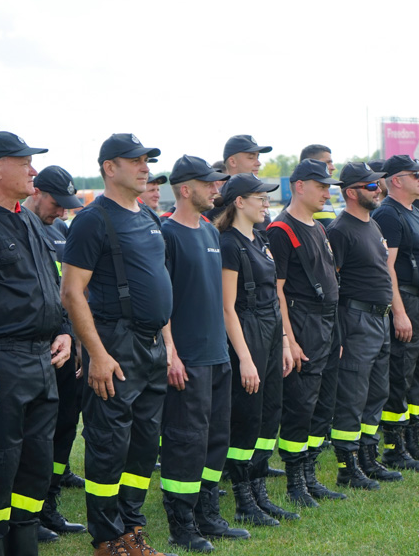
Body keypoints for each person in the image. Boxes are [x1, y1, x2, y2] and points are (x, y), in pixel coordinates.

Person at [61, 133, 175, 556]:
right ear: (110, 167)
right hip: (115, 344)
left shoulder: (148, 216)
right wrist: (98, 354)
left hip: (151, 346)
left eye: (147, 160)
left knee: (144, 446)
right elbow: (72, 292)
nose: (145, 167)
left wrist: (168, 344)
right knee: (109, 446)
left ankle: (131, 527)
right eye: (136, 160)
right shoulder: (93, 220)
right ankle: (107, 539)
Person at [0, 131, 72, 555]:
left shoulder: (26, 218)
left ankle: (23, 543)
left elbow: (52, 285)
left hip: (42, 362)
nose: (33, 170)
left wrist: (63, 329)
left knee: (35, 467)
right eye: (24, 162)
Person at [158, 156, 249, 552]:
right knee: (185, 441)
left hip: (217, 355)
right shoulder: (167, 234)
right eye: (209, 184)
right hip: (188, 358)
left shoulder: (211, 232)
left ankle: (208, 513)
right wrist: (171, 353)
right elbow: (161, 301)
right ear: (184, 189)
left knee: (215, 438)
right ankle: (182, 523)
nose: (217, 190)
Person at [215, 173, 298, 527]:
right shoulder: (229, 243)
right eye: (259, 197)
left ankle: (260, 491)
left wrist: (282, 342)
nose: (266, 203)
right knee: (246, 419)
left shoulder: (260, 238)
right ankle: (243, 499)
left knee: (269, 414)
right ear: (239, 202)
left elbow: (273, 298)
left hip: (270, 330)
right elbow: (227, 307)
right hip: (246, 332)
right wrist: (246, 358)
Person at [267, 159, 344, 507]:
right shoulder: (281, 230)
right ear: (299, 186)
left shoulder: (319, 227)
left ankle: (310, 475)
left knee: (323, 405)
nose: (327, 192)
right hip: (303, 324)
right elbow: (277, 291)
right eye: (321, 186)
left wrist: (336, 336)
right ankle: (295, 482)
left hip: (328, 324)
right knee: (300, 406)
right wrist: (290, 340)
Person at [326, 162, 405, 488]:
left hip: (380, 317)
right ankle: (348, 466)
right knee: (352, 395)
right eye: (370, 186)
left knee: (376, 392)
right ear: (351, 193)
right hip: (356, 319)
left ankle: (369, 458)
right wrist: (340, 331)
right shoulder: (340, 229)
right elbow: (333, 284)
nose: (378, 190)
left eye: (377, 185)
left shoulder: (372, 225)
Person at [21, 165, 87, 539]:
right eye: (57, 203)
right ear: (37, 191)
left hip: (64, 346)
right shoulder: (15, 227)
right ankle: (22, 517)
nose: (62, 211)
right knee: (27, 438)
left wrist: (75, 338)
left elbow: (68, 292)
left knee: (63, 427)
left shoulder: (60, 231)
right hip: (25, 351)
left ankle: (48, 505)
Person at [373, 156, 419, 464]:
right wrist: (400, 313)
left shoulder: (416, 211)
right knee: (400, 375)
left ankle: (414, 439)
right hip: (408, 302)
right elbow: (387, 268)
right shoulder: (389, 214)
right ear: (396, 180)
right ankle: (394, 447)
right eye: (415, 174)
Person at [223, 135, 273, 228]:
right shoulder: (219, 201)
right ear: (233, 162)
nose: (258, 163)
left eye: (258, 157)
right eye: (251, 157)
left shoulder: (258, 195)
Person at [299, 145, 338, 228]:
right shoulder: (302, 204)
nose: (333, 167)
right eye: (328, 162)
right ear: (311, 164)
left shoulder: (323, 200)